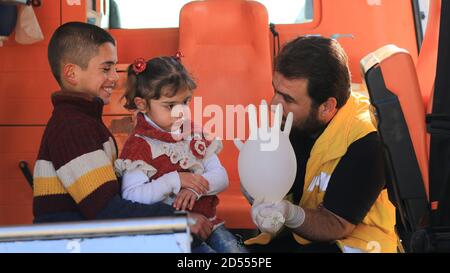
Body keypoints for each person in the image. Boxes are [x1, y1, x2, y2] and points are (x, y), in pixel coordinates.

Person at [32, 22, 212, 246]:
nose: (115, 78)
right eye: (106, 68)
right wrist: (178, 219)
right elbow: (106, 211)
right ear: (72, 73)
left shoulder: (86, 121)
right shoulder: (72, 127)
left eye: (114, 68)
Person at [245, 36, 397, 253]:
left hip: (357, 244)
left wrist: (288, 213)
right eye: (275, 91)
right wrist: (259, 190)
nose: (273, 105)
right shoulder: (298, 122)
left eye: (288, 99)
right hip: (307, 238)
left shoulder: (366, 141)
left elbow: (336, 224)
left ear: (327, 106)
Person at [114, 55, 247, 253]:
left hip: (209, 224)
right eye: (170, 105)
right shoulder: (139, 146)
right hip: (169, 237)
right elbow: (133, 196)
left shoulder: (194, 134)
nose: (181, 112)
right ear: (142, 104)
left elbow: (221, 176)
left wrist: (195, 189)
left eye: (185, 102)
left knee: (237, 252)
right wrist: (174, 180)